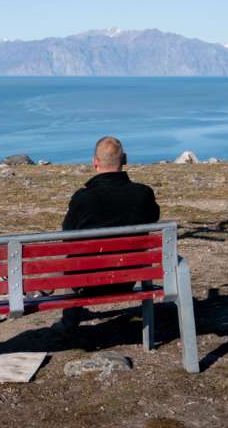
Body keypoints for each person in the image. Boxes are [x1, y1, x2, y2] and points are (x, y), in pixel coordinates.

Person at [55, 136, 160, 331]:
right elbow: (153, 217)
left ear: (94, 162)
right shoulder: (143, 194)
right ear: (125, 159)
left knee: (70, 257)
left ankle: (69, 322)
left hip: (87, 281)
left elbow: (66, 236)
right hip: (129, 276)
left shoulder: (83, 198)